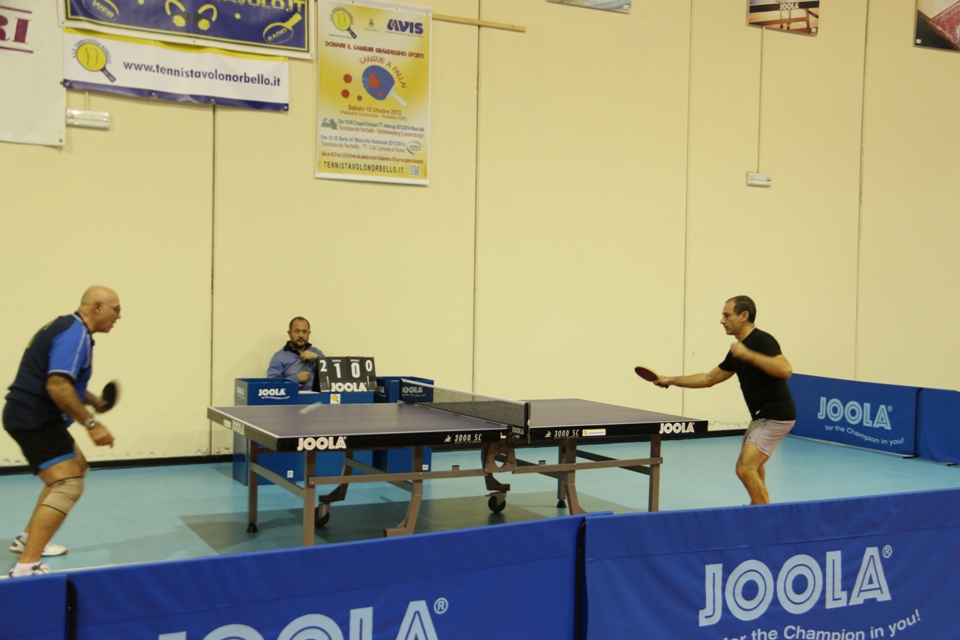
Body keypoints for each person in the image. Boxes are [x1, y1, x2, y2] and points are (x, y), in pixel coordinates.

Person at [3, 286, 120, 577]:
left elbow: (64, 380)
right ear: (97, 307)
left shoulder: (68, 328)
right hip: (34, 417)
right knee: (68, 484)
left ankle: (27, 539)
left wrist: (93, 400)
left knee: (77, 467)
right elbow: (56, 385)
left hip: (35, 415)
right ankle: (26, 567)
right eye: (116, 310)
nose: (118, 316)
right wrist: (92, 424)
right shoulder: (75, 334)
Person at [646, 295, 795, 505]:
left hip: (775, 416)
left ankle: (765, 516)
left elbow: (785, 369)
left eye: (727, 315)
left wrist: (748, 355)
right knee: (754, 466)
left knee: (745, 469)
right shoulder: (738, 349)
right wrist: (670, 379)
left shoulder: (761, 340)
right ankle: (758, 507)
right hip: (761, 416)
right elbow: (709, 379)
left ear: (744, 315)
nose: (722, 320)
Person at [267, 317, 324, 391]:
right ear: (289, 333)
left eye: (304, 332)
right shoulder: (279, 357)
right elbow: (272, 384)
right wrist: (295, 379)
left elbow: (331, 374)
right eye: (297, 331)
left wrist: (316, 357)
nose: (301, 335)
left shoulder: (316, 352)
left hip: (317, 396)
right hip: (292, 396)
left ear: (309, 333)